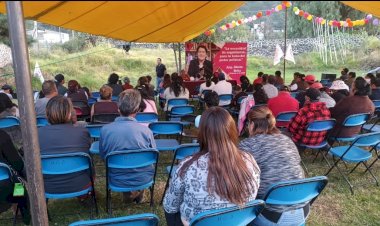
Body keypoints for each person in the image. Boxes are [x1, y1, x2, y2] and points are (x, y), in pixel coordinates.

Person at [163, 107, 260, 226]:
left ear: (202, 133)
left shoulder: (188, 166)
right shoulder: (249, 160)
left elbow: (170, 206)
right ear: (232, 130)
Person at [239, 106, 306, 226]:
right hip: (302, 211)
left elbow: (241, 183)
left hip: (272, 216)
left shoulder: (247, 145)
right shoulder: (287, 140)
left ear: (252, 124)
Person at [99, 89, 156, 203]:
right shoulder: (146, 131)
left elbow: (103, 155)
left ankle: (130, 192)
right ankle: (136, 191)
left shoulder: (105, 130)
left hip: (117, 178)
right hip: (143, 178)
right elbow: (153, 156)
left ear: (118, 108)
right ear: (137, 110)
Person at [38, 96, 92, 195]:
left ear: (47, 114)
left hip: (46, 187)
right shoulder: (82, 132)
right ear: (69, 114)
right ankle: (85, 197)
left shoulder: (36, 134)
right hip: (81, 184)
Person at [0, 129, 30, 225]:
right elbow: (17, 164)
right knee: (19, 184)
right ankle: (22, 213)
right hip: (5, 191)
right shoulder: (1, 135)